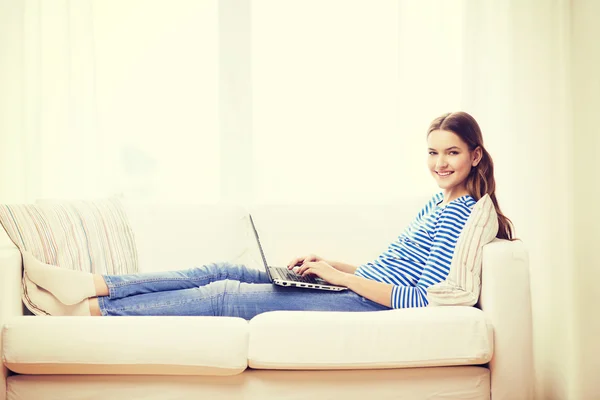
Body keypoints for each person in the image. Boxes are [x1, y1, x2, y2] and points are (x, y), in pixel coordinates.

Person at [24, 111, 514, 318]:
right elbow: (390, 267)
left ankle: (86, 311)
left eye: (450, 153)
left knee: (225, 296)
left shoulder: (464, 213)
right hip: (352, 285)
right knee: (219, 268)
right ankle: (92, 285)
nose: (439, 163)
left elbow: (418, 298)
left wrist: (341, 282)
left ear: (474, 154)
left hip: (362, 306)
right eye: (432, 153)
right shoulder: (438, 201)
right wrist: (334, 266)